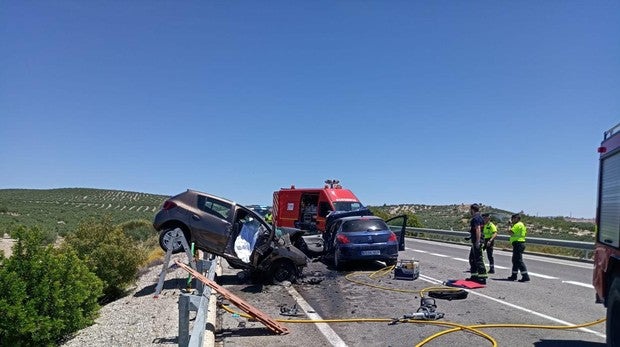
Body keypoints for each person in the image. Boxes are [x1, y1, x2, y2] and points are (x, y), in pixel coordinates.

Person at [467, 204, 488, 284]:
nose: (470, 211)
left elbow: (478, 229)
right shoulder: (480, 217)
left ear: (472, 210)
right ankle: (474, 276)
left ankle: (482, 278)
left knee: (479, 259)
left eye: (470, 210)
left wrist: (478, 241)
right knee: (472, 259)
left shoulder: (476, 218)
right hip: (475, 240)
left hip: (477, 241)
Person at [507, 213, 530, 282]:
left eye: (513, 218)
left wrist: (509, 225)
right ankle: (514, 275)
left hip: (518, 244)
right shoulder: (521, 225)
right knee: (515, 260)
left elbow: (510, 232)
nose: (512, 219)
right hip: (518, 244)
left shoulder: (518, 225)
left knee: (519, 261)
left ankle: (525, 276)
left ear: (517, 219)